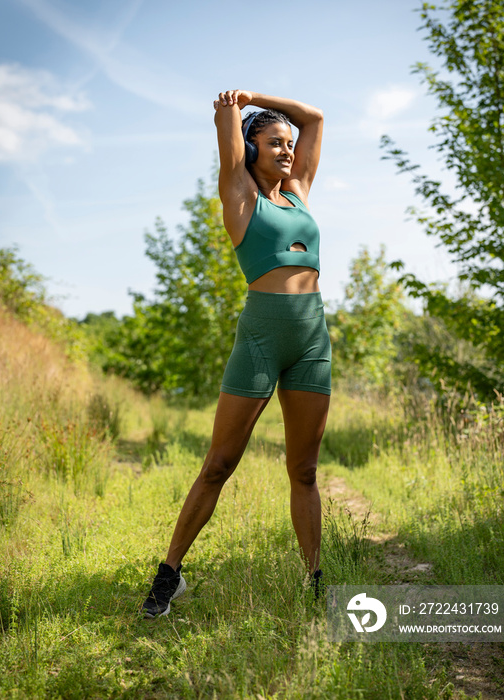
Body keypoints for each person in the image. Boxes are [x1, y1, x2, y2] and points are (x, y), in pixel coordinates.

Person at [142, 90, 331, 618]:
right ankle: (169, 574)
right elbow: (228, 127)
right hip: (261, 338)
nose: (287, 151)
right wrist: (236, 104)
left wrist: (262, 99)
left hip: (313, 336)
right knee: (219, 464)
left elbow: (314, 117)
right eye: (275, 143)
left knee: (305, 471)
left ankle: (315, 580)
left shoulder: (298, 192)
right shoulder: (240, 192)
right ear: (249, 151)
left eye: (289, 145)